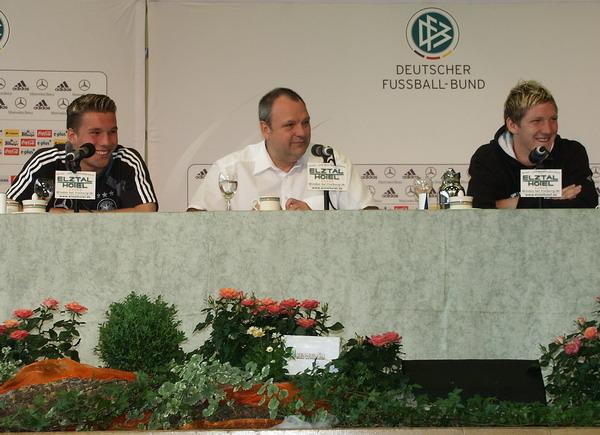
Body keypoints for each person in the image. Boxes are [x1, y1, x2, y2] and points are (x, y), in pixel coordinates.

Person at [188, 87, 376, 211]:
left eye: (306, 122)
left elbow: (371, 220)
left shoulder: (331, 163)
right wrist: (244, 227)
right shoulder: (230, 170)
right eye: (290, 125)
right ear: (265, 129)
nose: (301, 132)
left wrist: (320, 223)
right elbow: (193, 223)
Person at [7, 94, 158, 212]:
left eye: (112, 132)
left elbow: (147, 210)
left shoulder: (127, 160)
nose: (106, 141)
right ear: (72, 136)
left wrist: (68, 216)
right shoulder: (47, 161)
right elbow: (8, 206)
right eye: (96, 133)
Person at [467, 80, 597, 209]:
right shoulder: (487, 158)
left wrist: (508, 204)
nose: (548, 130)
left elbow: (587, 204)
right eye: (537, 121)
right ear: (512, 125)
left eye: (553, 119)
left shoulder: (571, 153)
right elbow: (478, 212)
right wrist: (553, 199)